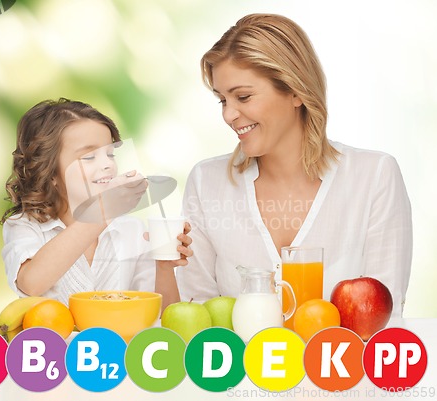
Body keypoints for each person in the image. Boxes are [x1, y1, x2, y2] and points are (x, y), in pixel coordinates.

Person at [175, 14, 412, 317]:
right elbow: (198, 317)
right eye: (222, 100)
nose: (228, 115)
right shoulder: (206, 182)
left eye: (243, 97)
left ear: (296, 91)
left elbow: (383, 320)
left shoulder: (374, 176)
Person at [1, 98, 191, 308]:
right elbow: (31, 284)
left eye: (110, 154)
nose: (108, 165)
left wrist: (164, 267)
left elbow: (163, 315)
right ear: (50, 172)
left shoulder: (131, 230)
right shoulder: (25, 226)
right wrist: (104, 209)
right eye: (89, 157)